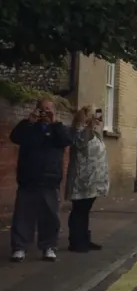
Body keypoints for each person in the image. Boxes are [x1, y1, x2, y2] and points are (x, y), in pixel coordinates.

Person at [10, 98, 72, 262]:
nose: (45, 112)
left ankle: (48, 247)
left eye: (48, 109)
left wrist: (55, 123)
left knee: (50, 217)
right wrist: (28, 121)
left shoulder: (59, 129)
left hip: (50, 179)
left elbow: (67, 141)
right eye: (42, 109)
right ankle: (19, 248)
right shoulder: (29, 127)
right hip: (28, 178)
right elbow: (15, 137)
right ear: (36, 110)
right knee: (23, 216)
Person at [66, 105, 110, 252]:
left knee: (85, 210)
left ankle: (84, 239)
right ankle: (75, 242)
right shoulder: (80, 132)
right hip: (81, 180)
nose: (98, 118)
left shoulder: (94, 133)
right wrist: (89, 126)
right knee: (79, 210)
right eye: (94, 115)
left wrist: (95, 126)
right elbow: (81, 145)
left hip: (93, 180)